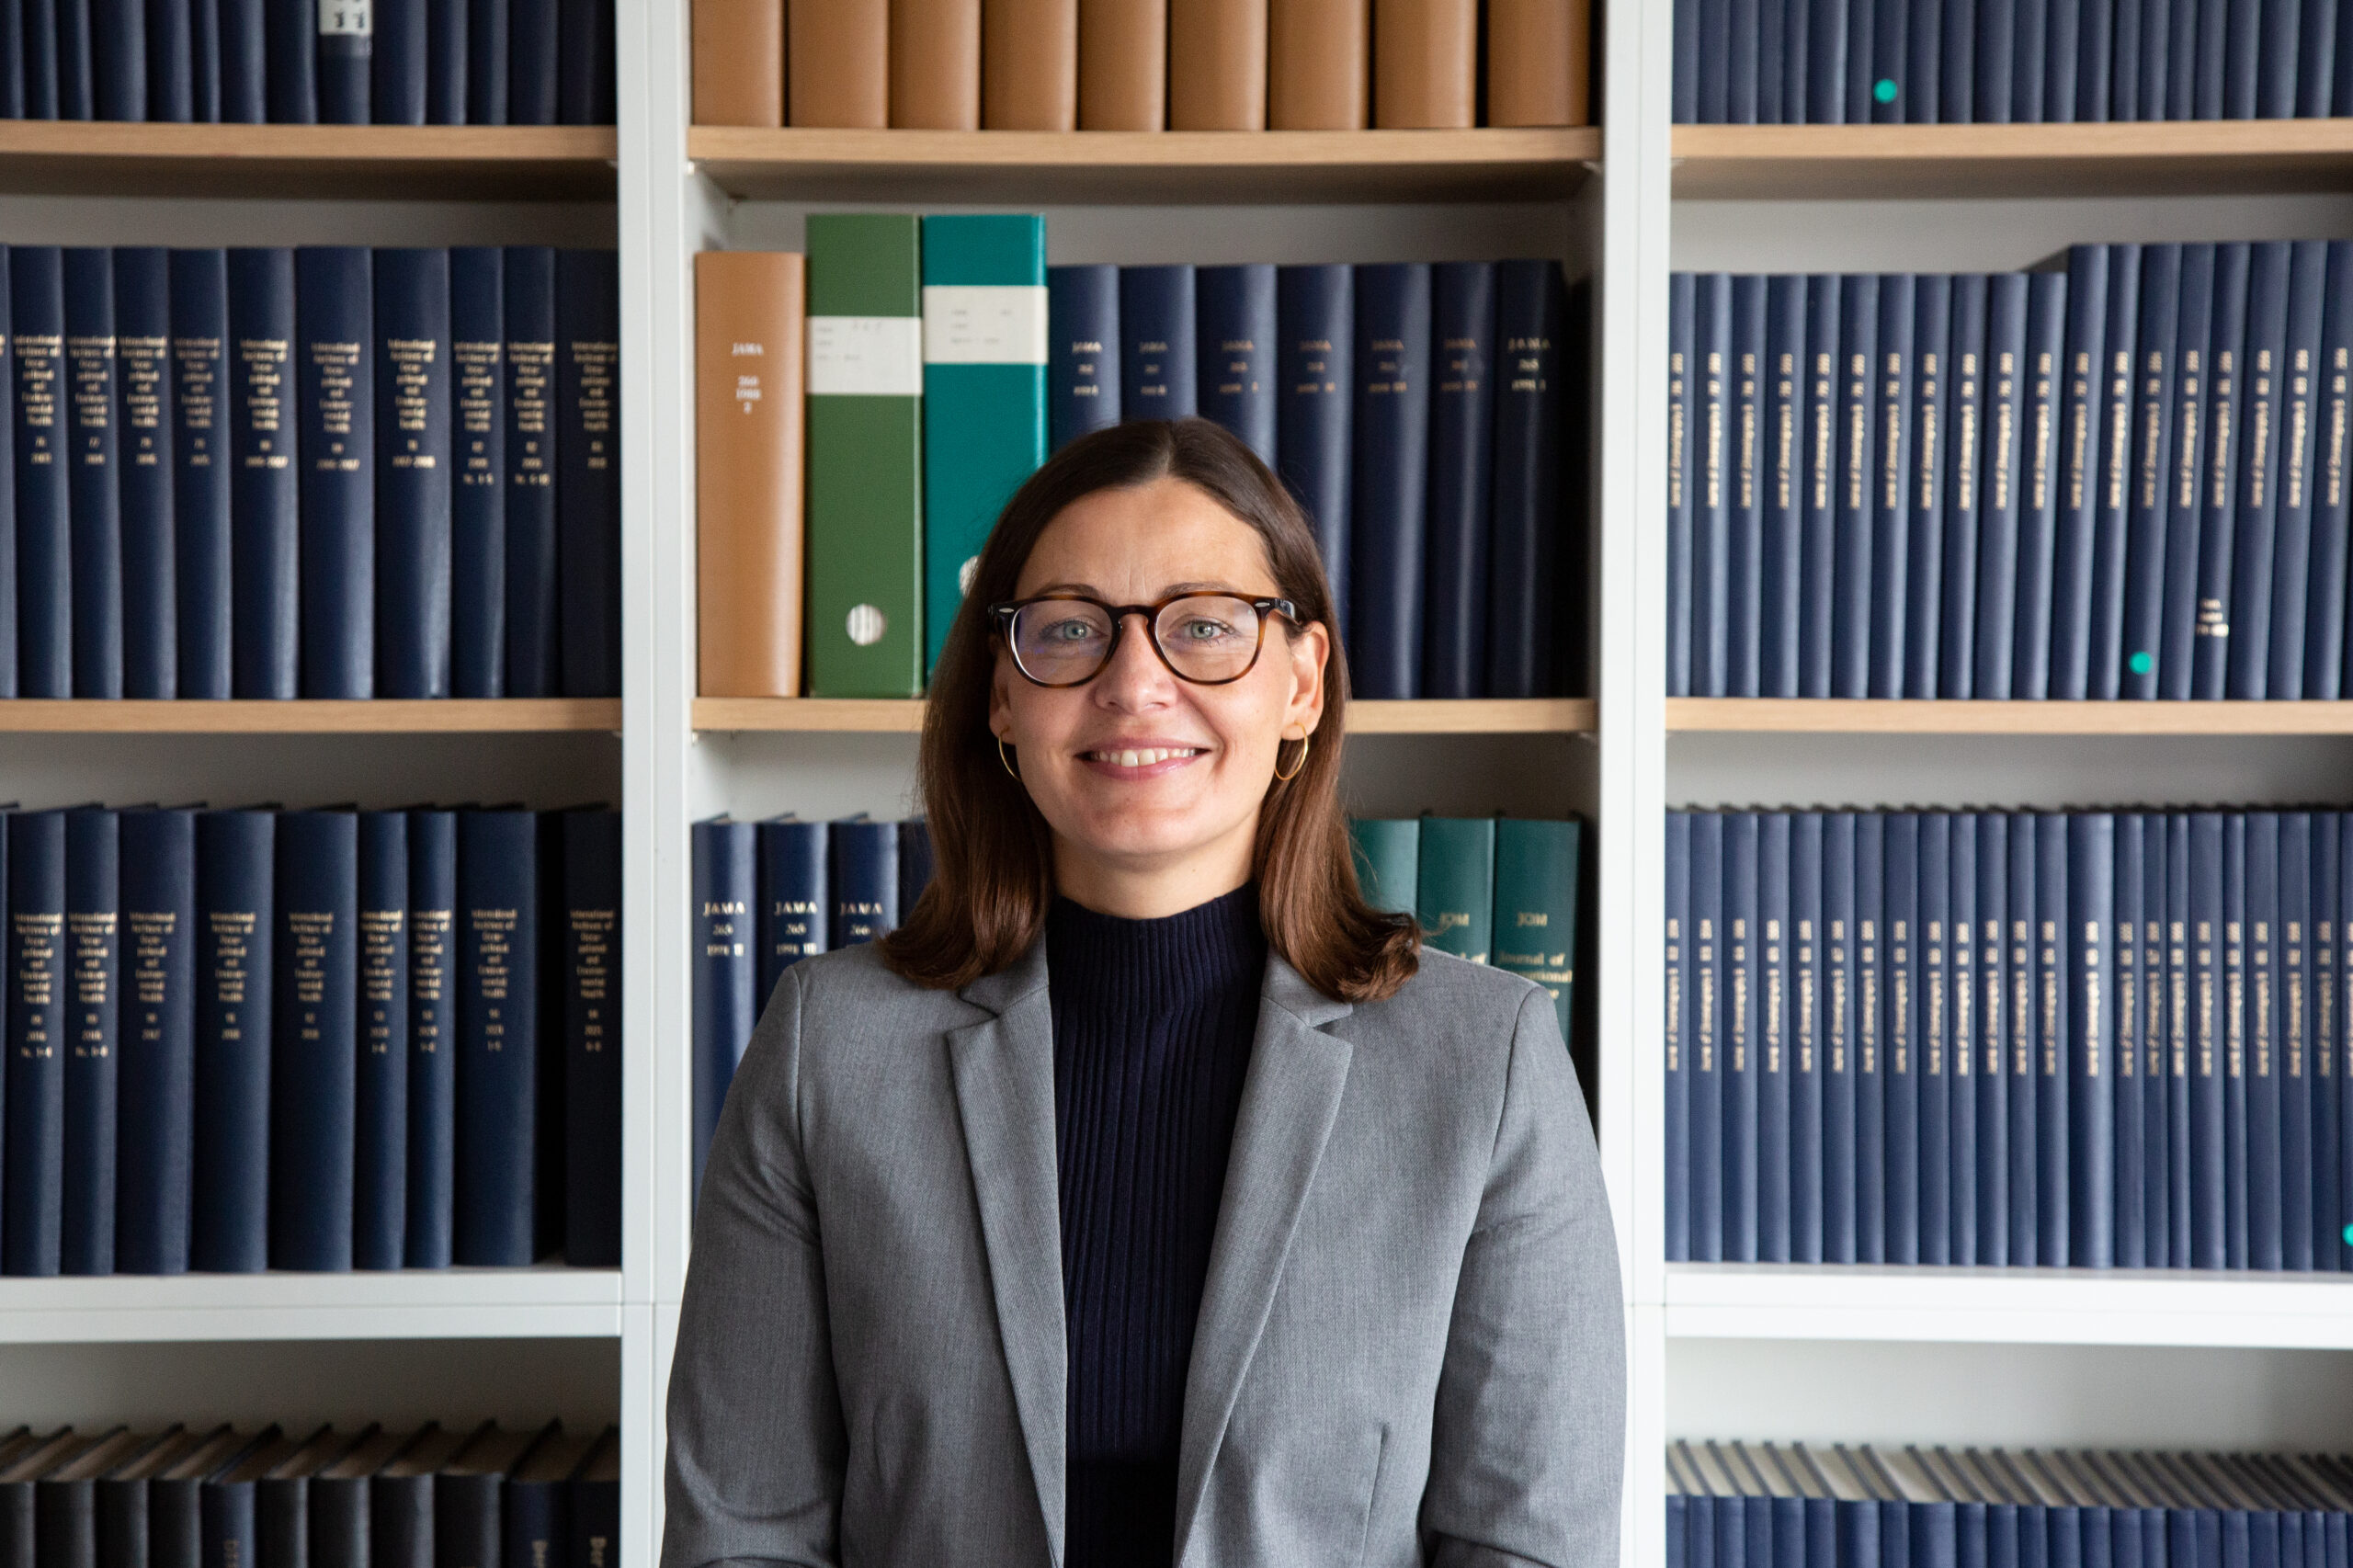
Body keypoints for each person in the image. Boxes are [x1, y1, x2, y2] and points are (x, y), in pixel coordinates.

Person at [663, 417, 1625, 1568]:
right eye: (1068, 629)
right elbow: (742, 1536)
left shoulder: (1487, 1062)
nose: (1134, 682)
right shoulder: (830, 1046)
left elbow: (1527, 1542)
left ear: (1302, 684)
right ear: (1002, 699)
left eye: (1205, 627)